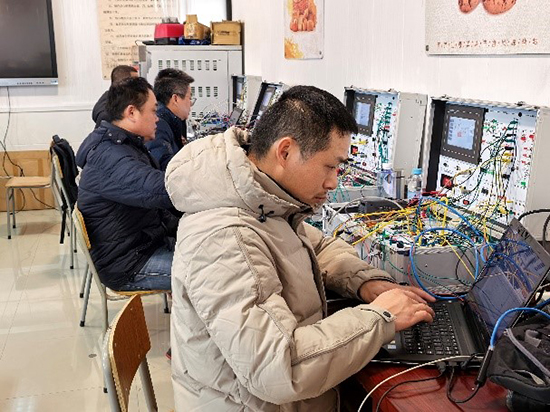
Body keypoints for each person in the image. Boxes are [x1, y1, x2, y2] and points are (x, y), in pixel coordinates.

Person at [165, 85, 436, 411]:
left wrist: (365, 282)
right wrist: (382, 318)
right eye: (330, 166)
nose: (334, 182)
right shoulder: (225, 238)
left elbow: (315, 246)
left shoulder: (262, 202)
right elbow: (277, 368)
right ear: (285, 152)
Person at [77, 77, 176, 291]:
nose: (157, 118)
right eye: (153, 111)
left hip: (142, 245)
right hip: (130, 264)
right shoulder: (110, 155)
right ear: (131, 112)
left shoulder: (121, 144)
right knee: (215, 274)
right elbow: (160, 191)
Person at [146, 68, 195, 170]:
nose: (191, 103)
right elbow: (167, 168)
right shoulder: (158, 125)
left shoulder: (173, 120)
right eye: (189, 98)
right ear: (175, 99)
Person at [92, 65, 138, 129]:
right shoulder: (108, 114)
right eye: (136, 83)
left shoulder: (114, 99)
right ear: (124, 84)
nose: (139, 86)